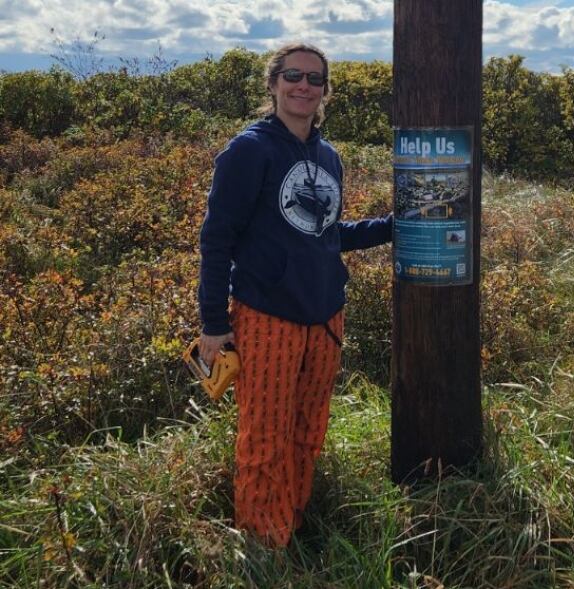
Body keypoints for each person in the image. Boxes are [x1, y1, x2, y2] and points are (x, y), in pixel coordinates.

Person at [197, 42, 392, 547]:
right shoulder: (249, 150)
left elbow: (325, 232)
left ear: (326, 91)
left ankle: (294, 523)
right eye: (293, 76)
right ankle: (265, 549)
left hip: (325, 315)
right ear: (274, 83)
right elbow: (217, 239)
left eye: (314, 79)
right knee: (265, 437)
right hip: (268, 316)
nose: (303, 86)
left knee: (308, 430)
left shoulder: (327, 155)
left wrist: (392, 227)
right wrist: (214, 323)